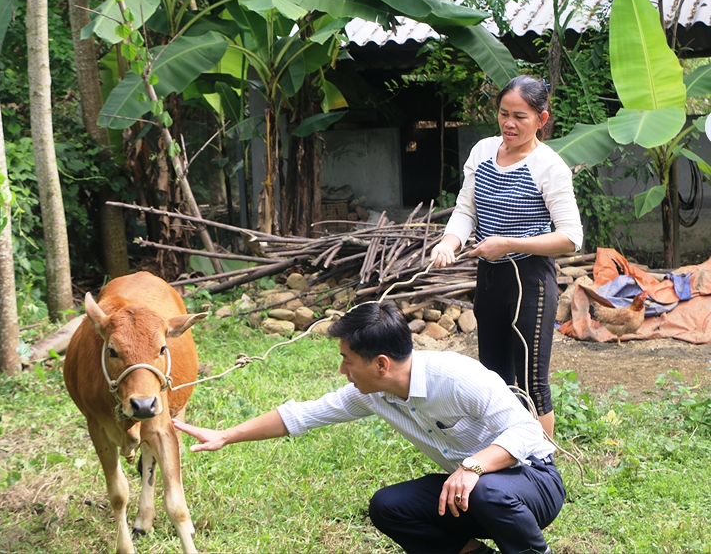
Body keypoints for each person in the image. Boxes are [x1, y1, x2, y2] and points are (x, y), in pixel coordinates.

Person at [174, 302, 564, 554]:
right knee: (389, 506)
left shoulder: (458, 377)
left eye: (346, 360)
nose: (341, 370)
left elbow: (529, 434)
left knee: (488, 490)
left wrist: (473, 465)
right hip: (473, 493)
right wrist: (225, 435)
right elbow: (303, 415)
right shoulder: (372, 393)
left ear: (380, 364)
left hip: (532, 483)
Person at [429, 75, 583, 438]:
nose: (509, 124)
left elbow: (570, 238)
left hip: (529, 280)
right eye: (503, 114)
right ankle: (504, 454)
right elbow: (466, 208)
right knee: (494, 376)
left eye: (520, 116)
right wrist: (449, 243)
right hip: (491, 278)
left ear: (541, 119)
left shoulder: (550, 167)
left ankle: (542, 469)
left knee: (531, 380)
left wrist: (510, 243)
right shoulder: (483, 151)